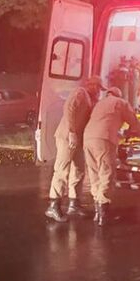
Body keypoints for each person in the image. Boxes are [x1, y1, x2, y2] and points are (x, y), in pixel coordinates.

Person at [84, 87, 140, 226]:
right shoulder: (120, 103)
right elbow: (135, 122)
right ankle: (104, 214)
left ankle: (98, 212)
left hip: (88, 139)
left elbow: (104, 122)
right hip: (104, 139)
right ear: (119, 95)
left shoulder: (99, 104)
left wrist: (118, 134)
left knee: (95, 174)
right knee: (107, 174)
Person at [45, 75, 104, 222]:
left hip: (76, 139)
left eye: (99, 88)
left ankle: (74, 204)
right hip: (67, 136)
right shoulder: (80, 92)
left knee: (78, 170)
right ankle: (53, 205)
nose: (98, 91)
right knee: (62, 169)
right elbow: (69, 108)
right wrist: (71, 131)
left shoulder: (90, 99)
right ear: (90, 84)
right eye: (96, 87)